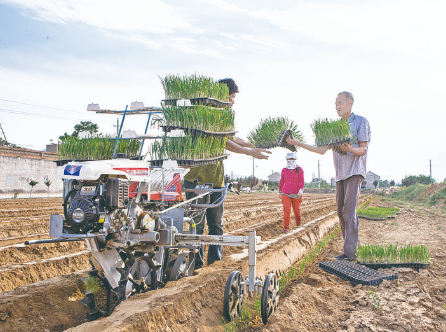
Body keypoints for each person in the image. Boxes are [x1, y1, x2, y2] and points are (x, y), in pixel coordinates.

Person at [184, 78, 271, 269]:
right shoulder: (205, 114)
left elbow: (231, 137)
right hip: (197, 180)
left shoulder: (223, 118)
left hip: (216, 180)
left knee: (216, 224)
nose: (233, 101)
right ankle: (196, 267)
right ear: (222, 94)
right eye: (231, 96)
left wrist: (257, 144)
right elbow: (223, 142)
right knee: (196, 226)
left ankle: (214, 265)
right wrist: (250, 152)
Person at [286, 91, 371, 261]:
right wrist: (296, 143)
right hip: (340, 174)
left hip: (355, 172)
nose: (337, 106)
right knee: (341, 211)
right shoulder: (334, 127)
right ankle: (352, 250)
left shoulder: (361, 122)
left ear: (350, 103)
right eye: (335, 104)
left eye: (340, 103)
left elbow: (363, 149)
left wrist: (351, 150)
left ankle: (351, 254)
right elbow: (321, 150)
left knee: (349, 211)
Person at [279, 152, 305, 233]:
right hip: (285, 193)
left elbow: (302, 180)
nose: (291, 161)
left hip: (296, 193)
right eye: (289, 159)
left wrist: (301, 189)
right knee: (286, 210)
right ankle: (286, 228)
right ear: (287, 160)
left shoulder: (299, 169)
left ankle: (298, 224)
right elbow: (282, 181)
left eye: (292, 159)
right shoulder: (284, 170)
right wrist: (280, 191)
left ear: (295, 160)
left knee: (297, 211)